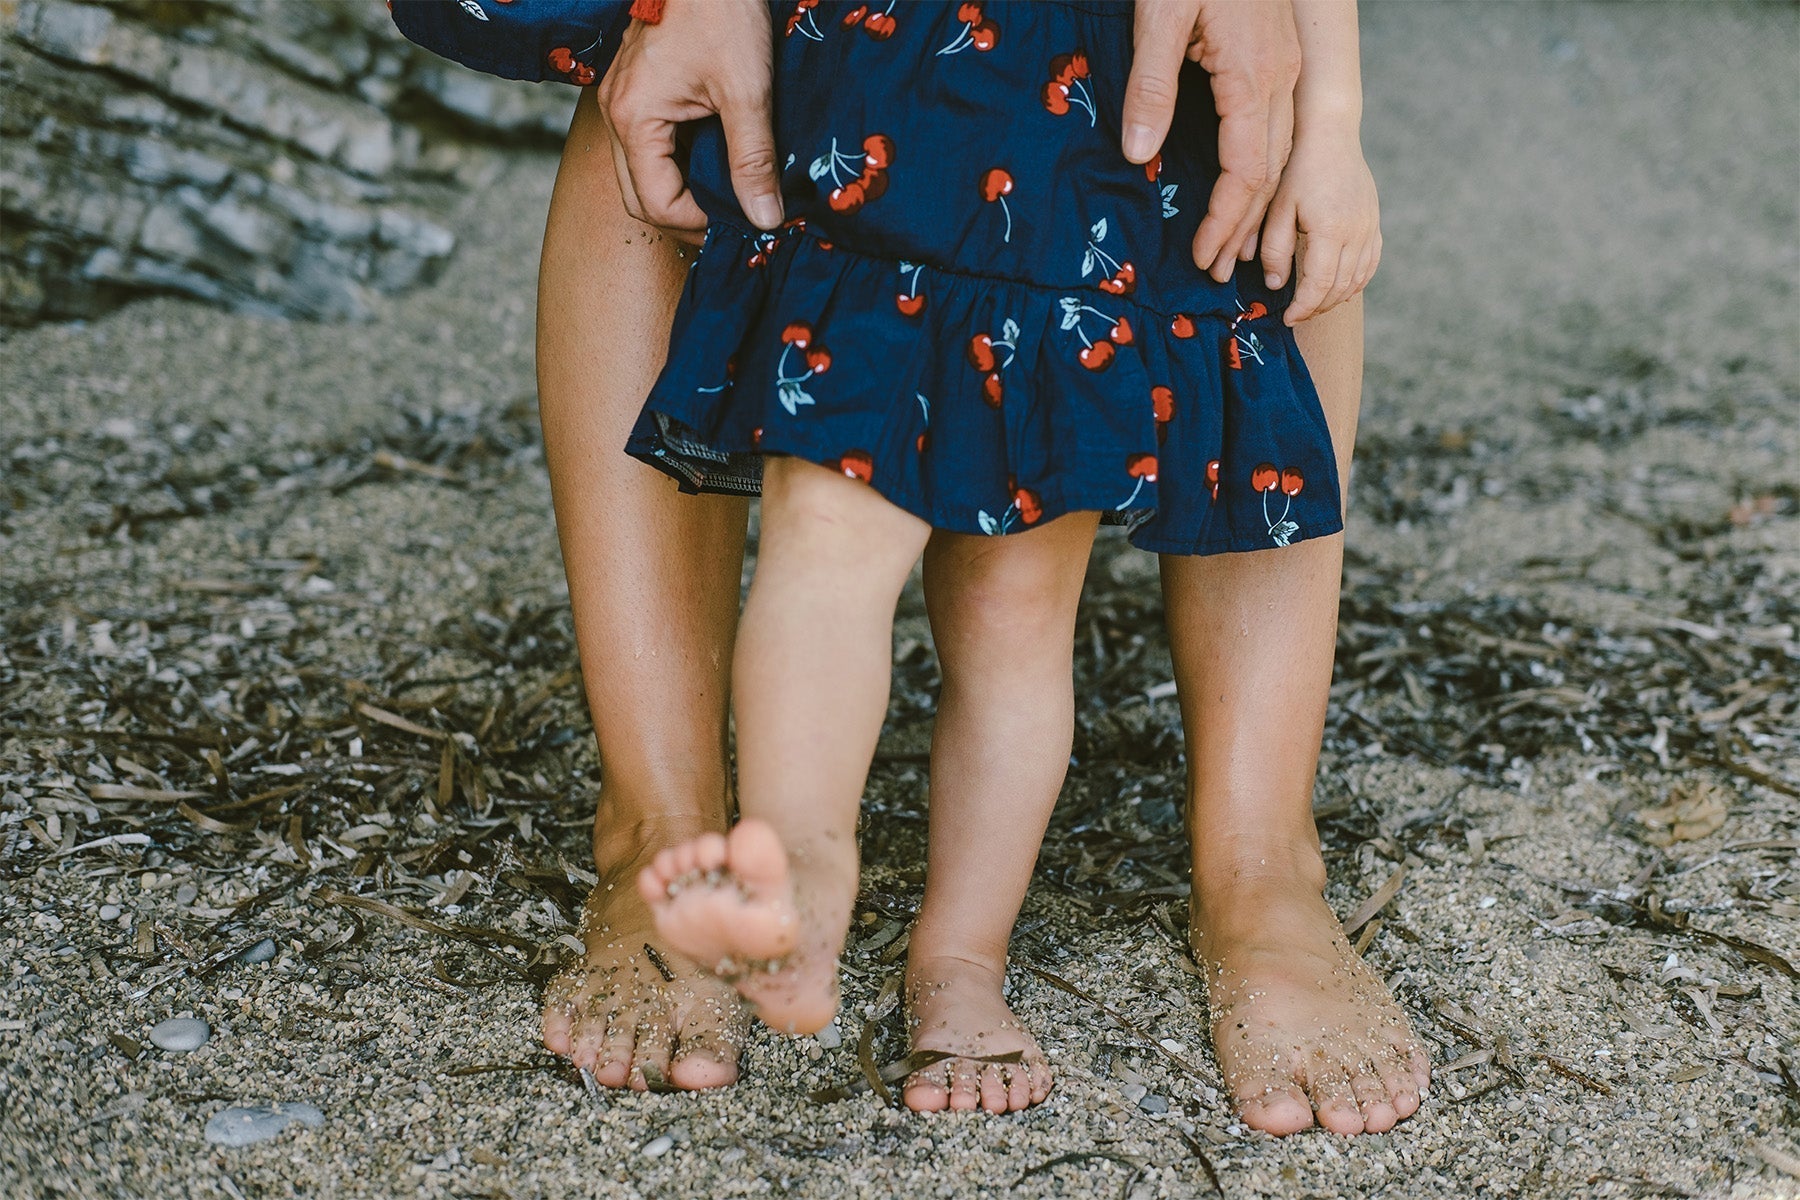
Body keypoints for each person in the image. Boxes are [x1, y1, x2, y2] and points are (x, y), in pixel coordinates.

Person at [392, 0, 1428, 1134]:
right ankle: (771, 853)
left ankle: (979, 955)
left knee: (1014, 615)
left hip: (1082, 182)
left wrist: (1331, 125)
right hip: (887, 138)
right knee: (829, 538)